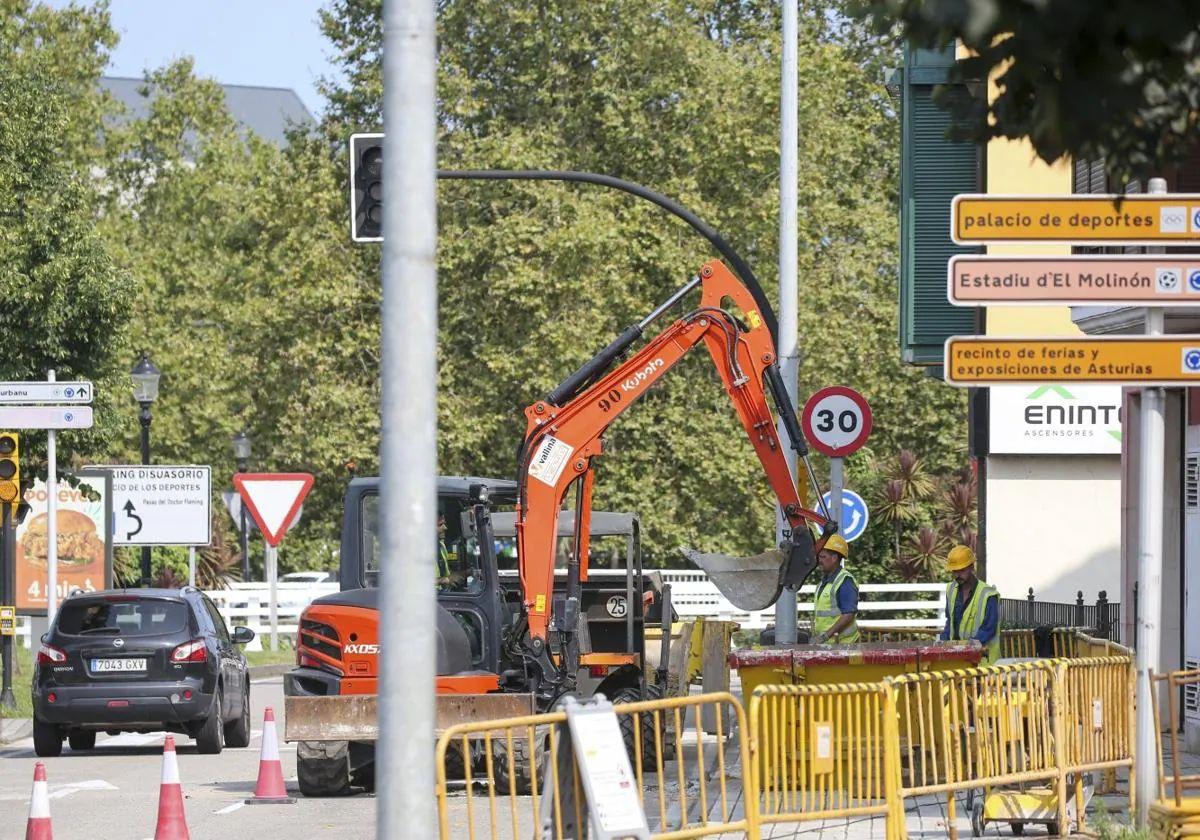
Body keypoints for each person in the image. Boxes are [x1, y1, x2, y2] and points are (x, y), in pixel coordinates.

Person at [940, 544, 1000, 664]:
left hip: (983, 662)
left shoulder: (988, 594)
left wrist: (966, 649)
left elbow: (989, 628)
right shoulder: (950, 589)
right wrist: (943, 643)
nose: (957, 575)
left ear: (971, 567)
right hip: (958, 660)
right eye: (954, 571)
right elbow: (950, 622)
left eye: (961, 570)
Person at [811, 534, 860, 644]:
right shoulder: (823, 583)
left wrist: (825, 636)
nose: (819, 560)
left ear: (834, 558)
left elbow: (848, 615)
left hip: (845, 646)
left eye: (823, 557)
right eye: (819, 556)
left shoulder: (844, 581)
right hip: (831, 646)